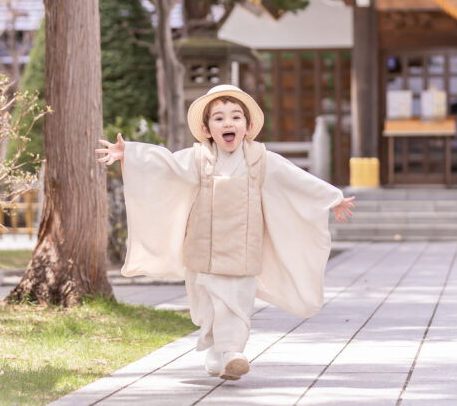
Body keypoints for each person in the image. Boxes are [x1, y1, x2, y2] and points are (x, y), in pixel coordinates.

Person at [96, 84, 354, 381]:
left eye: (235, 117)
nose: (228, 123)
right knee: (207, 306)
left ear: (249, 126)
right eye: (219, 118)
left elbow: (295, 179)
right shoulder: (197, 159)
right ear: (206, 129)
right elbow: (165, 164)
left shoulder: (260, 160)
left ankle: (233, 353)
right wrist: (130, 152)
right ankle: (217, 351)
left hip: (243, 248)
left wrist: (331, 197)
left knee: (237, 302)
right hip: (202, 249)